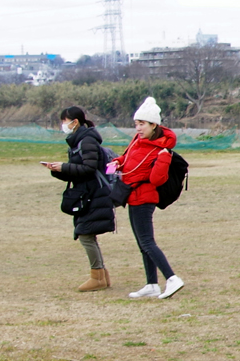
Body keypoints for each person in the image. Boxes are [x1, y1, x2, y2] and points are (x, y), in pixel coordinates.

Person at [41, 106, 118, 292]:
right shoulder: (79, 141)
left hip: (94, 194)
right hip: (87, 193)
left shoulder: (87, 140)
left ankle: (97, 275)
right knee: (87, 233)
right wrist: (58, 170)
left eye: (64, 121)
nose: (63, 125)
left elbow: (89, 169)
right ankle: (102, 276)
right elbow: (79, 172)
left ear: (75, 122)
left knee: (85, 233)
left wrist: (65, 167)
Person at [118, 97, 186, 300]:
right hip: (132, 195)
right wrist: (116, 163)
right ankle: (151, 283)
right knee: (142, 242)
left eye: (142, 124)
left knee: (147, 241)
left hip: (145, 198)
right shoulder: (137, 142)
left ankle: (172, 278)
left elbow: (157, 179)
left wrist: (164, 158)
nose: (138, 128)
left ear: (153, 125)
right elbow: (127, 159)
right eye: (136, 124)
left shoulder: (160, 149)